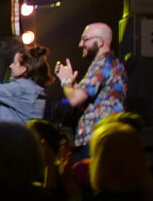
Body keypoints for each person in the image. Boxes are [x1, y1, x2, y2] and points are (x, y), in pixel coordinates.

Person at [54, 22, 127, 155]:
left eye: (85, 39)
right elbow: (88, 97)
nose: (80, 44)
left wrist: (66, 81)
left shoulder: (102, 64)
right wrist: (71, 82)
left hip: (98, 139)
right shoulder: (108, 63)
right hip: (103, 138)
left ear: (99, 42)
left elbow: (75, 99)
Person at [0, 44, 53, 123]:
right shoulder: (32, 88)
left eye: (14, 63)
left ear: (23, 69)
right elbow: (8, 100)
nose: (11, 66)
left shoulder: (22, 88)